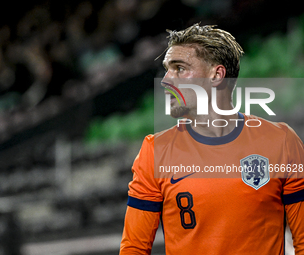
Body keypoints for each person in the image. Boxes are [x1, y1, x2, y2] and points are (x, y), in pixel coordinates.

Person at [119, 23, 304, 254]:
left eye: (179, 68)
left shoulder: (281, 142)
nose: (166, 80)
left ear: (217, 75)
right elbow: (134, 248)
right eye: (167, 69)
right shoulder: (154, 151)